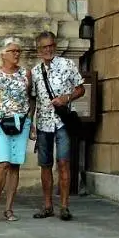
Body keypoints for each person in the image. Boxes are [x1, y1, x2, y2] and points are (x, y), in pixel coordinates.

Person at [30, 30, 85, 221]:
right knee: (45, 165)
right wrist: (31, 124)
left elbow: (80, 88)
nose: (48, 50)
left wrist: (66, 98)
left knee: (63, 163)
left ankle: (64, 206)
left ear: (55, 46)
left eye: (51, 46)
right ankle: (47, 206)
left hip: (62, 122)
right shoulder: (35, 72)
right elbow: (33, 100)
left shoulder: (67, 64)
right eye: (44, 47)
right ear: (38, 50)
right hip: (44, 123)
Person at [0, 38, 33, 222]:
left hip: (21, 122)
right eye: (12, 51)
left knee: (15, 165)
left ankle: (9, 208)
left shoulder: (26, 74)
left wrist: (31, 123)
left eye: (18, 51)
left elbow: (30, 99)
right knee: (2, 163)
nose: (16, 54)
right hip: (0, 122)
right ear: (3, 54)